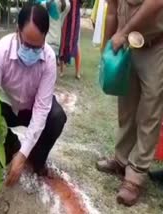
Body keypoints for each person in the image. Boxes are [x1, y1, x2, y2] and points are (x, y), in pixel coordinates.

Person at [0, 4, 67, 186]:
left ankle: (36, 160)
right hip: (7, 109)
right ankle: (11, 146)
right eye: (27, 45)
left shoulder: (49, 59)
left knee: (56, 117)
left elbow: (41, 109)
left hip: (30, 109)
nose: (31, 52)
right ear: (17, 31)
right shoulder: (1, 51)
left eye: (37, 47)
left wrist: (24, 155)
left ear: (45, 38)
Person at [96, 0, 163, 206]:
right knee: (126, 104)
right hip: (128, 44)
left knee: (149, 110)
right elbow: (112, 11)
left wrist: (123, 31)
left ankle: (136, 174)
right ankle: (121, 159)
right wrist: (107, 48)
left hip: (156, 44)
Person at [59, 0, 82, 79]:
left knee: (76, 43)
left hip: (75, 19)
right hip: (65, 17)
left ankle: (77, 72)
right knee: (63, 42)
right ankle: (62, 70)